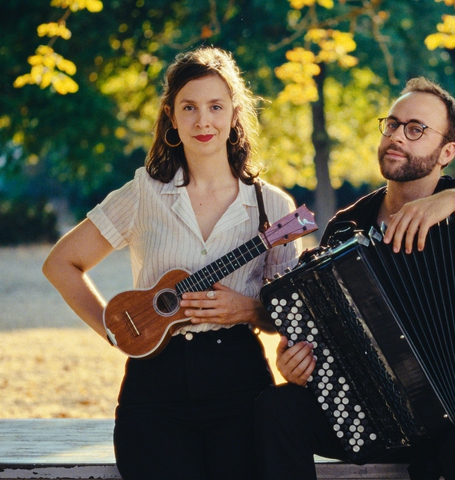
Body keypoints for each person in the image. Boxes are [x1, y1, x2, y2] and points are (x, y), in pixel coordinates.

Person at [255, 76, 455, 480]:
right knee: (274, 410)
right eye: (393, 124)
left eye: (416, 129)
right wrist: (297, 364)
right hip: (368, 409)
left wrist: (453, 200)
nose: (397, 136)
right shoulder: (347, 227)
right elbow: (320, 336)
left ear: (447, 151)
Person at [42, 46, 301, 480]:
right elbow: (61, 264)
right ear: (172, 117)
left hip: (239, 381)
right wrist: (114, 329)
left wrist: (250, 310)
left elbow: (289, 316)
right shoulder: (143, 193)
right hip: (153, 390)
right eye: (189, 107)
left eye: (215, 106)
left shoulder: (272, 207)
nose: (203, 121)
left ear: (234, 114)